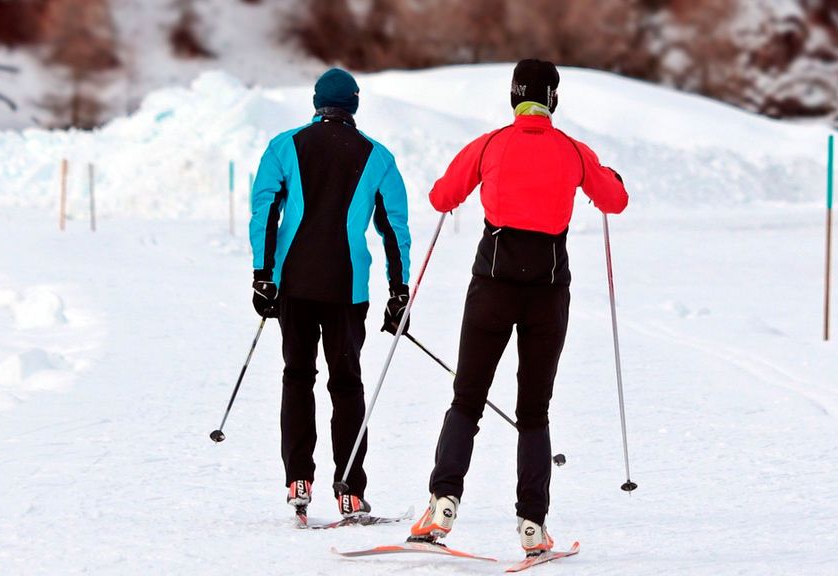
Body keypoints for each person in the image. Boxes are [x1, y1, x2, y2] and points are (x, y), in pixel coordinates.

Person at [410, 59, 629, 555]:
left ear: (514, 97)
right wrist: (609, 176)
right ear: (552, 99)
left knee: (467, 397)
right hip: (547, 296)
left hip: (491, 288)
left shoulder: (490, 144)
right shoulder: (573, 151)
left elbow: (441, 197)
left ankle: (442, 503)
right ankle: (533, 524)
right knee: (533, 411)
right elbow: (614, 201)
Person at [250, 68, 411, 519]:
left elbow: (265, 211)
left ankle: (298, 479)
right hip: (347, 289)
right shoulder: (377, 157)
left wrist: (263, 275)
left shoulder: (284, 146)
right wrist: (400, 292)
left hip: (294, 285)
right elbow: (394, 230)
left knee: (297, 377)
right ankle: (350, 490)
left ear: (317, 102)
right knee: (346, 385)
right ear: (353, 105)